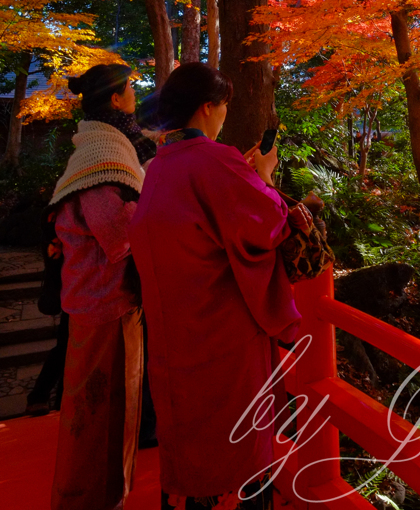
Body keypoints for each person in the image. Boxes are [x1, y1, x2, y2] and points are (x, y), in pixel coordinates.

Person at [128, 62, 301, 510]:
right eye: (223, 106)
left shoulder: (163, 163)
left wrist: (239, 175)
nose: (225, 115)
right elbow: (266, 223)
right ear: (208, 108)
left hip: (175, 328)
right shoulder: (214, 159)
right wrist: (261, 177)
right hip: (220, 331)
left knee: (188, 433)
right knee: (238, 440)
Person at [49, 62, 155, 510]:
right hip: (105, 303)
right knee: (100, 414)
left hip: (98, 299)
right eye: (131, 89)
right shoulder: (105, 158)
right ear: (115, 100)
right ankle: (90, 500)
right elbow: (119, 238)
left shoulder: (99, 146)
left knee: (104, 411)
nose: (134, 96)